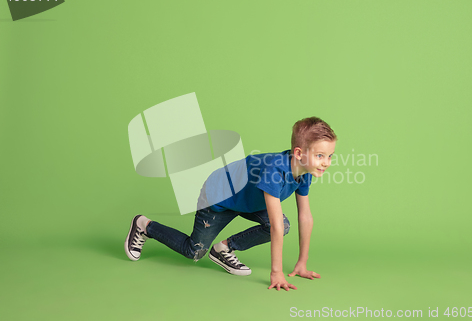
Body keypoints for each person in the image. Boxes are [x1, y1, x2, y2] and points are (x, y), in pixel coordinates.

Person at [125, 117, 337, 291]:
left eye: (329, 156)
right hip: (219, 197)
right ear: (299, 153)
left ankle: (223, 249)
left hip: (249, 199)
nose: (326, 162)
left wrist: (302, 262)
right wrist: (277, 273)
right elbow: (276, 226)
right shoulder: (276, 171)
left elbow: (305, 216)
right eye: (320, 156)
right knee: (194, 252)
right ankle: (145, 226)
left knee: (284, 224)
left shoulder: (306, 171)